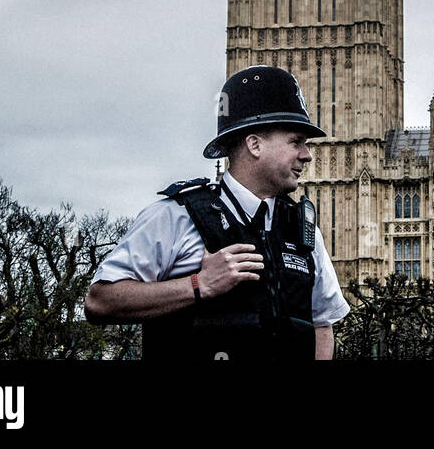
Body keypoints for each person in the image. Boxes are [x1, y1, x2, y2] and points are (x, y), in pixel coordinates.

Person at [84, 64, 348, 360]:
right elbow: (100, 300)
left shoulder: (303, 231)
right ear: (255, 144)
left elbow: (322, 323)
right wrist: (200, 284)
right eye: (295, 142)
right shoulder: (176, 216)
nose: (306, 154)